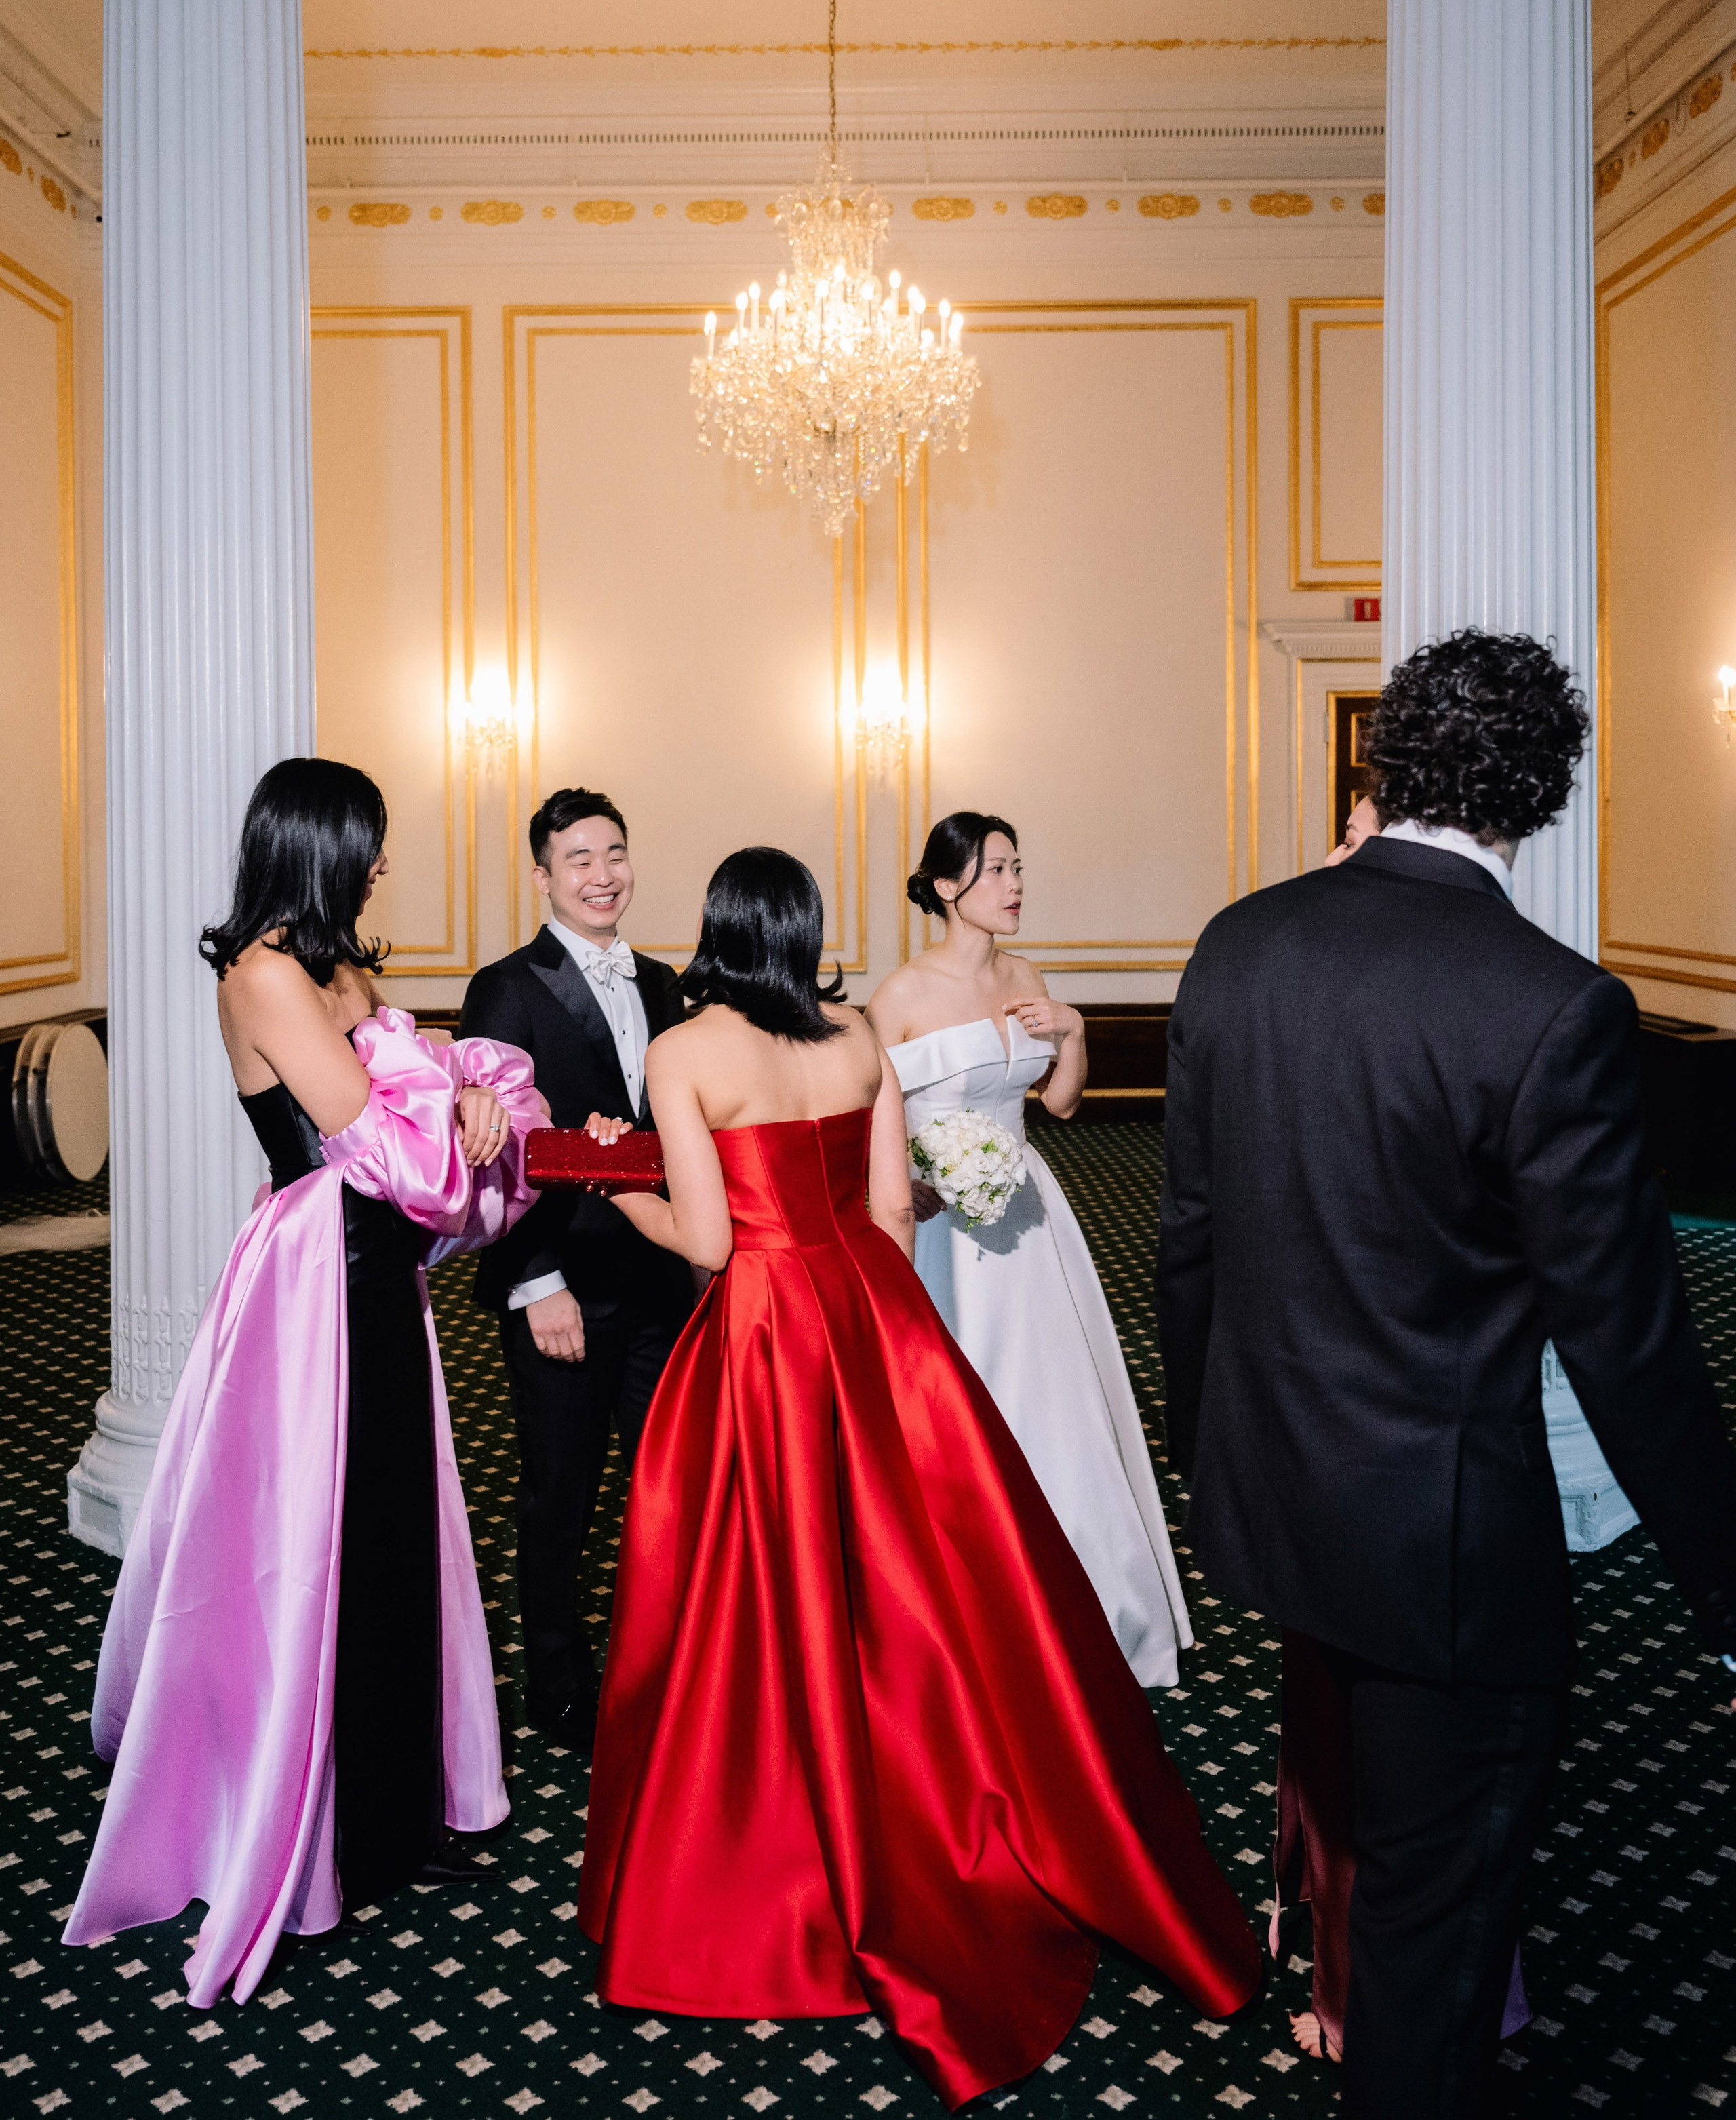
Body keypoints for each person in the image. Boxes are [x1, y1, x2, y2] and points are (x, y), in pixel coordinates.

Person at [576, 846, 1261, 2108]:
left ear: (719, 930)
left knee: (758, 1577)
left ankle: (781, 1817)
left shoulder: (683, 1054)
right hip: (877, 1314)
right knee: (921, 1571)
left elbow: (712, 1240)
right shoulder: (850, 1034)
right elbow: (896, 1210)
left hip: (769, 1331)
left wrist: (617, 1186)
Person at [1158, 629, 1736, 2117]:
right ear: (1539, 790)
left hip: (1275, 1510)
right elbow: (1627, 1340)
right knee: (1429, 1931)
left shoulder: (1239, 940)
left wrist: (1208, 1455)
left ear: (1379, 760)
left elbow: (1189, 1248)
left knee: (1373, 1853)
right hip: (1442, 1554)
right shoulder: (1550, 1004)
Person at [64, 759, 547, 2005]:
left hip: (382, 1279)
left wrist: (471, 1096)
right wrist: (465, 1094)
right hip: (314, 1276)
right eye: (370, 844)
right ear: (321, 844)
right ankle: (315, 1829)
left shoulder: (340, 966)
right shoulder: (267, 974)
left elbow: (421, 1109)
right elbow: (365, 1128)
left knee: (393, 1539)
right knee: (311, 1552)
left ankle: (394, 1815)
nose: (385, 864)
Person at [865, 813, 1191, 1688]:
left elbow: (1062, 1106)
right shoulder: (899, 996)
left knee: (1056, 1393)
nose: (1015, 885)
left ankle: (1092, 1603)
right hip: (940, 1224)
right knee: (967, 1395)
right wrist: (907, 1178)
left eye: (1018, 868)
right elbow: (870, 1117)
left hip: (1030, 1211)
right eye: (997, 870)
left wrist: (1075, 1031)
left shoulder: (1027, 976)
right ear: (946, 887)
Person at [458, 787, 688, 1754]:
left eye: (616, 854)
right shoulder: (506, 987)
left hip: (660, 1280)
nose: (603, 875)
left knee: (665, 1483)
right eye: (580, 859)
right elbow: (491, 1149)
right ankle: (558, 1682)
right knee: (563, 1492)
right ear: (544, 874)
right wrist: (534, 1280)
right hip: (561, 1284)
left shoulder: (668, 981)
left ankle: (666, 1667)